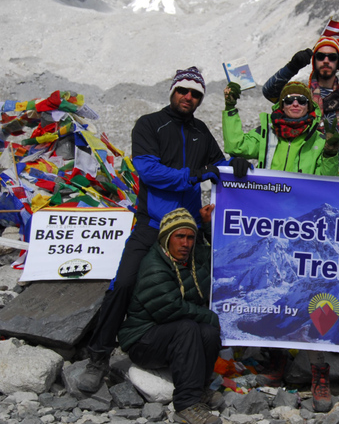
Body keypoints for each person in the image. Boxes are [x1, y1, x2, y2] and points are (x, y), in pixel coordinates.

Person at [77, 67, 251, 393]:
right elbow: (148, 170)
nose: (189, 97)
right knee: (124, 283)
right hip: (152, 225)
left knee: (203, 290)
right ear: (172, 91)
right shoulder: (149, 124)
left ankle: (194, 358)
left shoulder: (200, 131)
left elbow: (219, 165)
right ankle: (97, 356)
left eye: (196, 94)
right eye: (183, 91)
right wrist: (195, 175)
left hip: (188, 230)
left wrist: (240, 165)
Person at [222, 79, 339, 412]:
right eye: (288, 100)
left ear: (309, 107)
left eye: (301, 101)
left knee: (313, 295)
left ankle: (319, 371)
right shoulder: (265, 134)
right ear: (280, 105)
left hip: (306, 234)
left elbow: (328, 183)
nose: (294, 105)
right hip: (270, 229)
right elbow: (235, 143)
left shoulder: (318, 139)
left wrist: (331, 155)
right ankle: (275, 363)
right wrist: (231, 109)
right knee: (274, 292)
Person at [118, 207, 223, 424]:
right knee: (188, 327)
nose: (185, 243)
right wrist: (209, 315)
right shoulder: (154, 266)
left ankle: (199, 388)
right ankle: (186, 405)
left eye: (190, 237)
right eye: (180, 237)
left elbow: (221, 252)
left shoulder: (192, 258)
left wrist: (206, 225)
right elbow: (170, 309)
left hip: (170, 336)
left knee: (208, 332)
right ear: (167, 238)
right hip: (143, 340)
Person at [262, 35, 339, 177]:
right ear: (314, 61)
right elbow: (269, 91)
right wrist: (292, 66)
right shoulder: (300, 99)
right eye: (321, 56)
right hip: (304, 176)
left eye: (332, 57)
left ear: (338, 63)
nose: (326, 61)